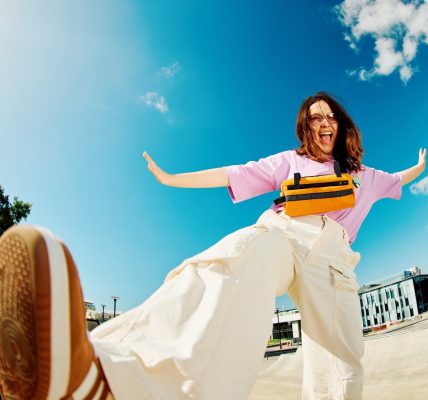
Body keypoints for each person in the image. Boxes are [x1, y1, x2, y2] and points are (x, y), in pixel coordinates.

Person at [0, 92, 425, 400]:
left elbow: (399, 178)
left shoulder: (363, 174)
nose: (324, 122)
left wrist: (421, 165)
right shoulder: (289, 161)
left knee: (341, 365)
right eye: (315, 117)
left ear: (341, 124)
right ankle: (109, 376)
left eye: (330, 115)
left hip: (332, 259)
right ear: (305, 127)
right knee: (231, 265)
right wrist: (171, 178)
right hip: (284, 232)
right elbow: (233, 173)